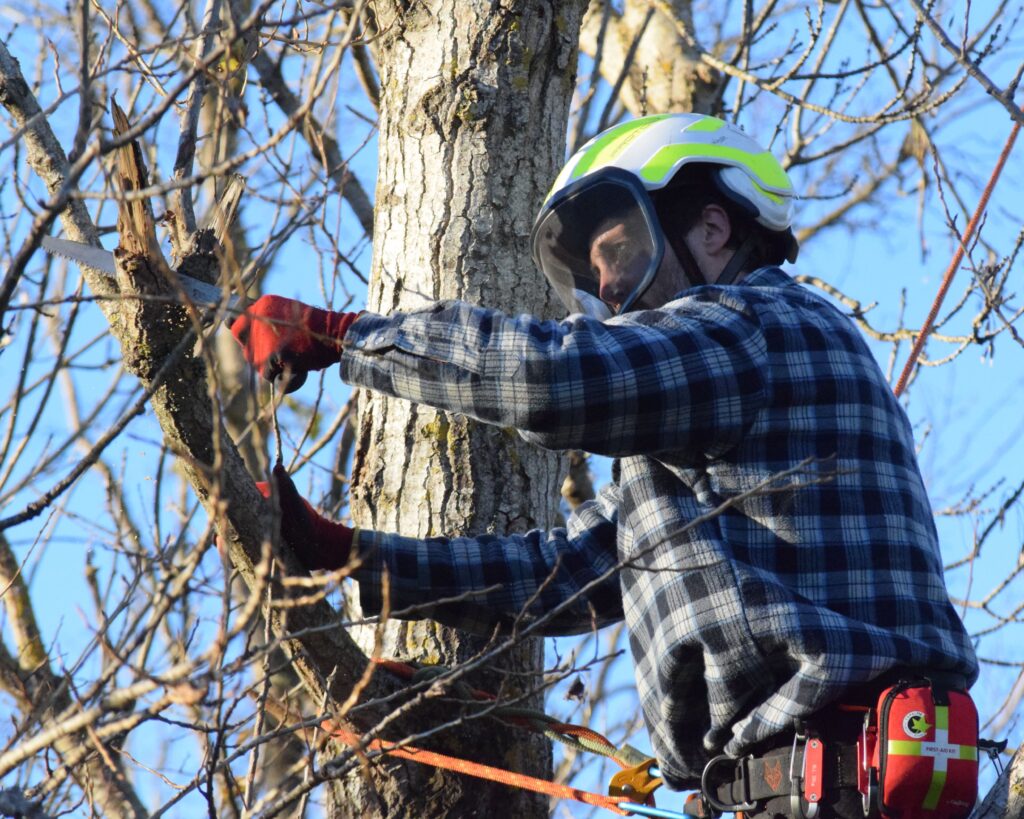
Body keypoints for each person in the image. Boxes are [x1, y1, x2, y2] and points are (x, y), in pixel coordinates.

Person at [230, 114, 978, 818]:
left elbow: (559, 379)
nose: (607, 287)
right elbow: (569, 573)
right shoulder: (712, 429)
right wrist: (356, 560)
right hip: (788, 784)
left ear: (712, 229)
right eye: (590, 273)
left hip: (841, 772)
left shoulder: (760, 329)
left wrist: (350, 338)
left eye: (617, 253)